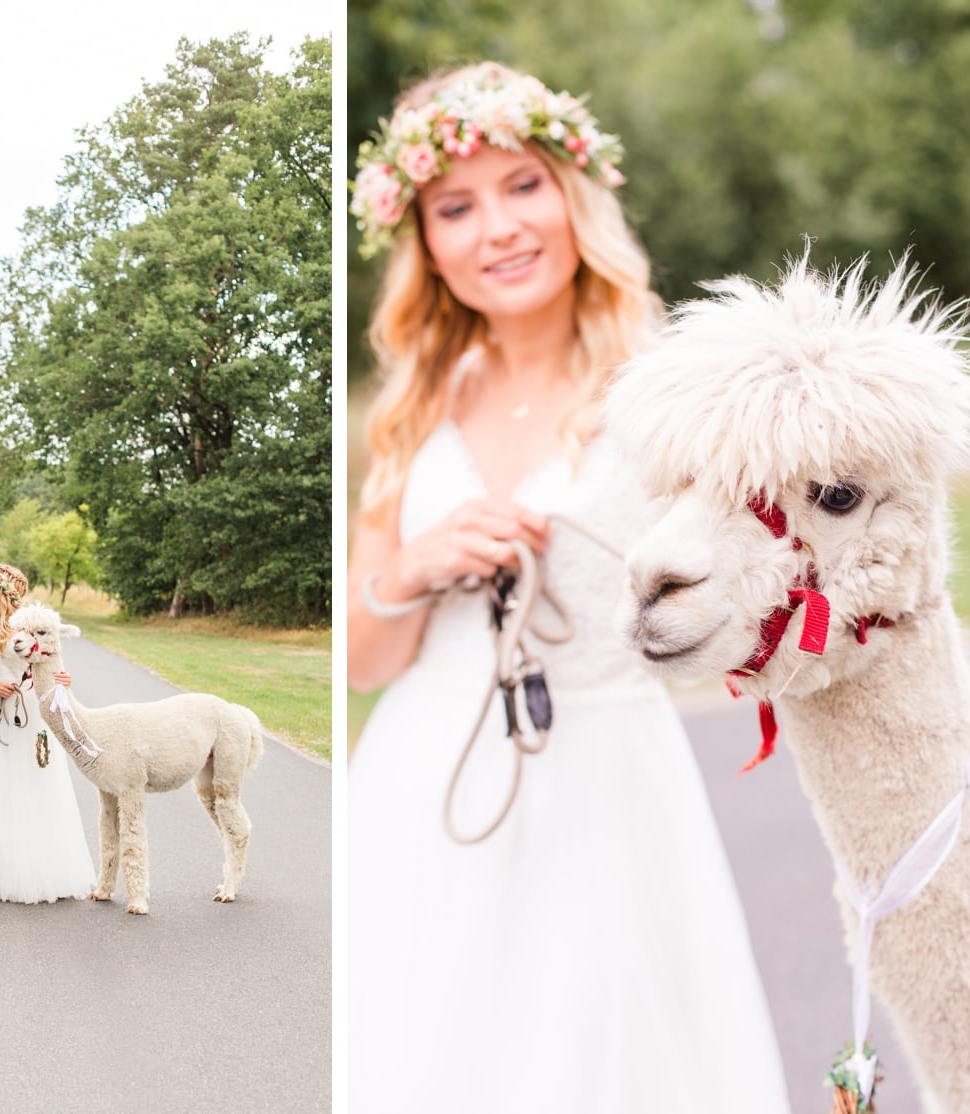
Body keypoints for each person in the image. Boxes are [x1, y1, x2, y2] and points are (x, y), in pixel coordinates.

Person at [347, 63, 791, 1112]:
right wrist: (414, 566)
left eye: (524, 187)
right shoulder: (413, 406)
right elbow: (365, 665)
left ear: (575, 196)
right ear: (425, 241)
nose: (497, 227)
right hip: (423, 788)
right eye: (457, 206)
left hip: (607, 787)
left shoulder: (675, 390)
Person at [0, 563, 95, 903]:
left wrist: (64, 681)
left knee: (32, 785)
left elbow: (53, 666)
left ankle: (37, 870)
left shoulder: (29, 625)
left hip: (28, 714)